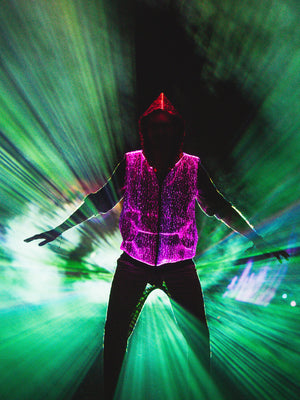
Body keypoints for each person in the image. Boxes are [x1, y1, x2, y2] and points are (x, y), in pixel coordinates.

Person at [25, 93, 288, 399]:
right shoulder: (131, 163)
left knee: (199, 342)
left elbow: (219, 207)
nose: (160, 132)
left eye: (166, 126)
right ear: (146, 129)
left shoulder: (192, 167)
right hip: (133, 265)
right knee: (114, 339)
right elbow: (100, 201)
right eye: (155, 126)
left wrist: (258, 240)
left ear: (177, 130)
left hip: (179, 267)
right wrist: (59, 229)